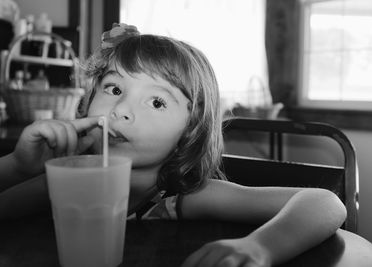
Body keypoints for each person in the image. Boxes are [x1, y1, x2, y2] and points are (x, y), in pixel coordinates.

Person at [0, 23, 347, 267]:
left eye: (156, 102)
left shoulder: (181, 198)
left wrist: (260, 248)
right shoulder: (64, 182)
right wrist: (16, 167)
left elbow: (324, 203)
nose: (121, 110)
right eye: (114, 89)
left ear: (190, 129)